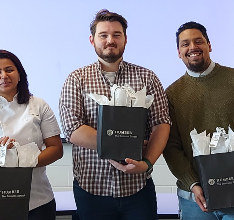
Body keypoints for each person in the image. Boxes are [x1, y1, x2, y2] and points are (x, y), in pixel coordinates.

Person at [59, 9, 171, 220]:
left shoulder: (147, 78)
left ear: (125, 40)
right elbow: (72, 129)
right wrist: (127, 144)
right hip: (91, 188)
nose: (110, 40)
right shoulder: (76, 79)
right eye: (103, 35)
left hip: (138, 187)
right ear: (92, 40)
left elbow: (161, 123)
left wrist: (146, 162)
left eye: (116, 35)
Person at [163, 21, 234, 220]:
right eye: (185, 44)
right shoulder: (172, 94)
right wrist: (192, 184)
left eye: (198, 41)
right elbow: (171, 146)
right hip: (195, 199)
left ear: (209, 45)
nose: (192, 47)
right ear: (178, 52)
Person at [0, 49, 63, 220]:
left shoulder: (39, 105)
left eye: (9, 70)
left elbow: (56, 149)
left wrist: (21, 160)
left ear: (20, 74)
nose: (4, 76)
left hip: (37, 201)